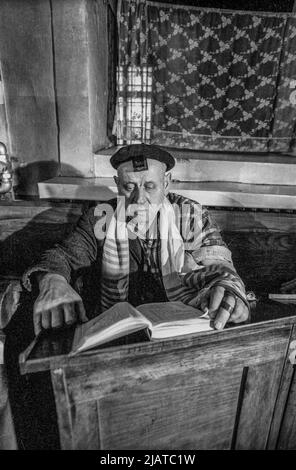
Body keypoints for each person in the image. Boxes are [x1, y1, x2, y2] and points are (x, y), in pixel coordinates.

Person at [23, 143, 249, 335]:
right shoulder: (101, 217)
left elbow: (222, 268)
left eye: (150, 186)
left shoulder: (190, 216)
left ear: (167, 183)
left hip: (183, 332)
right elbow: (62, 257)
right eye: (128, 187)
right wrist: (52, 281)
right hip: (118, 335)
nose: (139, 199)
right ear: (116, 183)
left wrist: (231, 292)